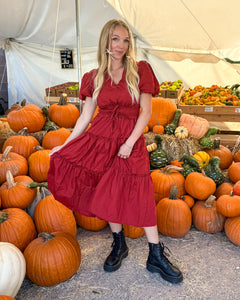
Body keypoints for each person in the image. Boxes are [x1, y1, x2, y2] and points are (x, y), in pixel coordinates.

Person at [48, 19, 183, 284]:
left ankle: (155, 255)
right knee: (107, 191)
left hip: (129, 141)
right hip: (100, 141)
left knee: (141, 192)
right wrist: (66, 144)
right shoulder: (94, 76)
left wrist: (131, 142)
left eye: (125, 40)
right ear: (106, 42)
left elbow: (145, 112)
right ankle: (119, 244)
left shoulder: (140, 70)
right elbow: (85, 116)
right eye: (115, 39)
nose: (120, 45)